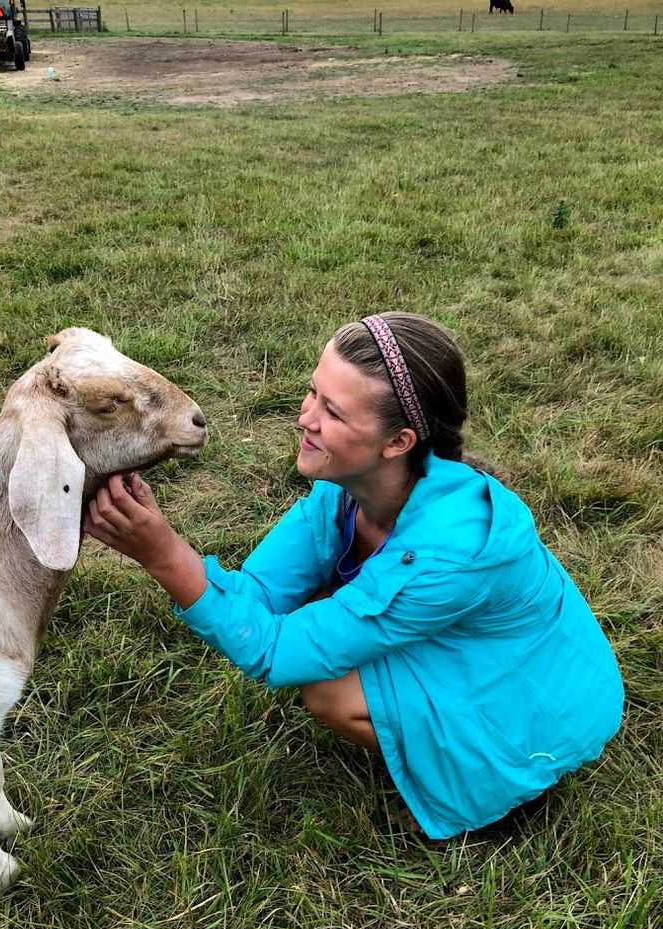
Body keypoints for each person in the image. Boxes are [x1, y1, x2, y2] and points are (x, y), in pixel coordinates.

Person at [84, 312, 624, 839]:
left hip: (550, 709)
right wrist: (164, 547)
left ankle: (488, 793)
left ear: (399, 443)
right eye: (313, 393)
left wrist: (162, 555)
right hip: (484, 652)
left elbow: (274, 651)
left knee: (329, 692)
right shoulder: (341, 495)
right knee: (315, 615)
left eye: (334, 413)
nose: (305, 417)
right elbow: (262, 597)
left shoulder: (448, 554)